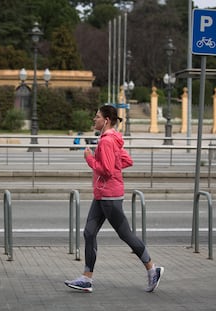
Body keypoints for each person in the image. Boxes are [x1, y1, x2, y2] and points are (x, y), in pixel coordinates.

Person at [64, 105, 164, 293]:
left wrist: (89, 158)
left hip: (109, 195)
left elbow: (108, 170)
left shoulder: (107, 142)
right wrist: (109, 162)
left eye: (97, 116)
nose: (94, 120)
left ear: (106, 120)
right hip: (102, 194)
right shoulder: (112, 141)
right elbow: (126, 161)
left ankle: (152, 269)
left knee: (125, 234)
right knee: (89, 233)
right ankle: (86, 278)